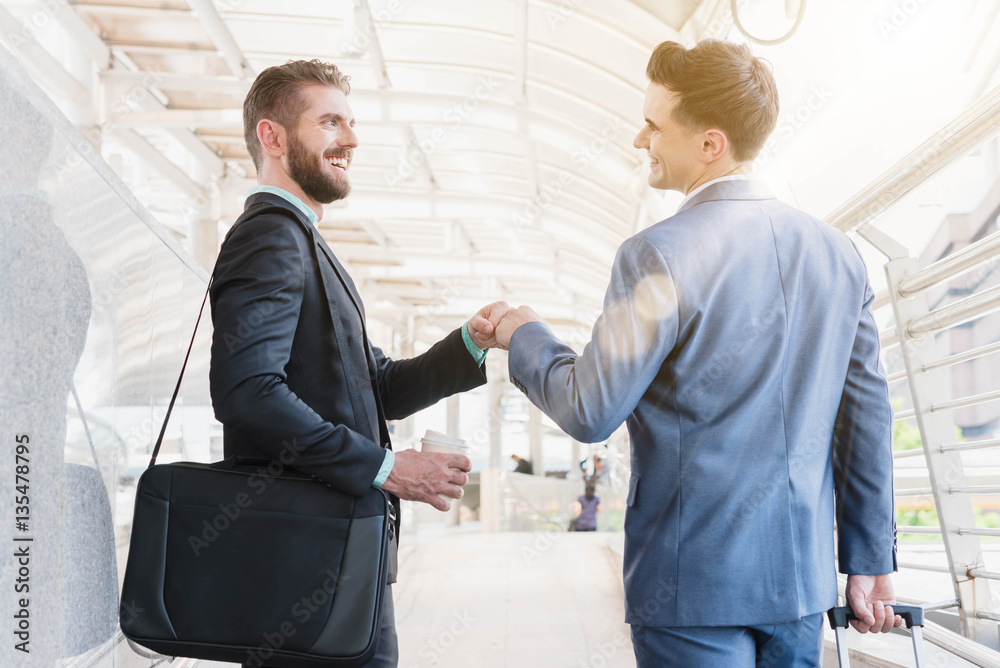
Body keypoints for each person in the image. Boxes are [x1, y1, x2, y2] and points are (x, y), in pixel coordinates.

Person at [492, 39, 899, 666]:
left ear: (710, 144)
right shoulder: (838, 255)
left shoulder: (658, 255)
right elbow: (866, 416)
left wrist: (525, 335)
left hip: (690, 591)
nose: (639, 140)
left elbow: (591, 407)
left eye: (654, 126)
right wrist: (869, 560)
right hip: (800, 585)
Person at [210, 59, 507, 668]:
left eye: (351, 123)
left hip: (336, 559)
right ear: (272, 136)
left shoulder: (302, 239)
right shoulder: (270, 236)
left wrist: (468, 345)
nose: (349, 139)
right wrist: (387, 468)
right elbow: (247, 392)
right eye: (330, 122)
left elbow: (373, 387)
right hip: (305, 563)